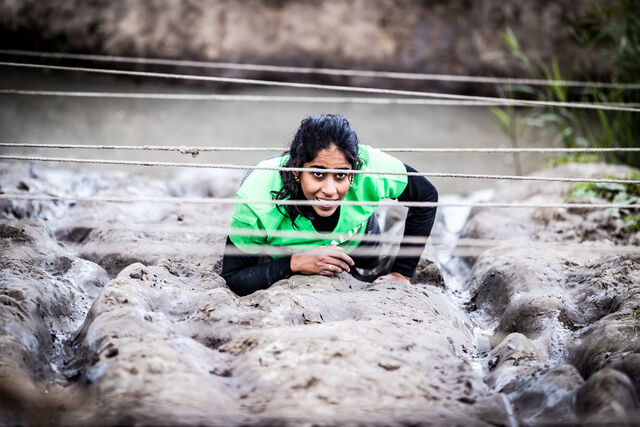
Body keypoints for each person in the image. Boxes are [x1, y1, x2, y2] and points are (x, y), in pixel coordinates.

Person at [221, 114, 438, 296]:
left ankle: (370, 218)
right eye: (318, 174)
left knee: (371, 260)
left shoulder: (370, 168)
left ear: (354, 172)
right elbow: (234, 279)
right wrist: (294, 263)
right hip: (283, 244)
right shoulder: (257, 200)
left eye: (341, 175)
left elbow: (426, 196)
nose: (330, 190)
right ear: (295, 170)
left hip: (355, 236)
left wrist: (402, 273)